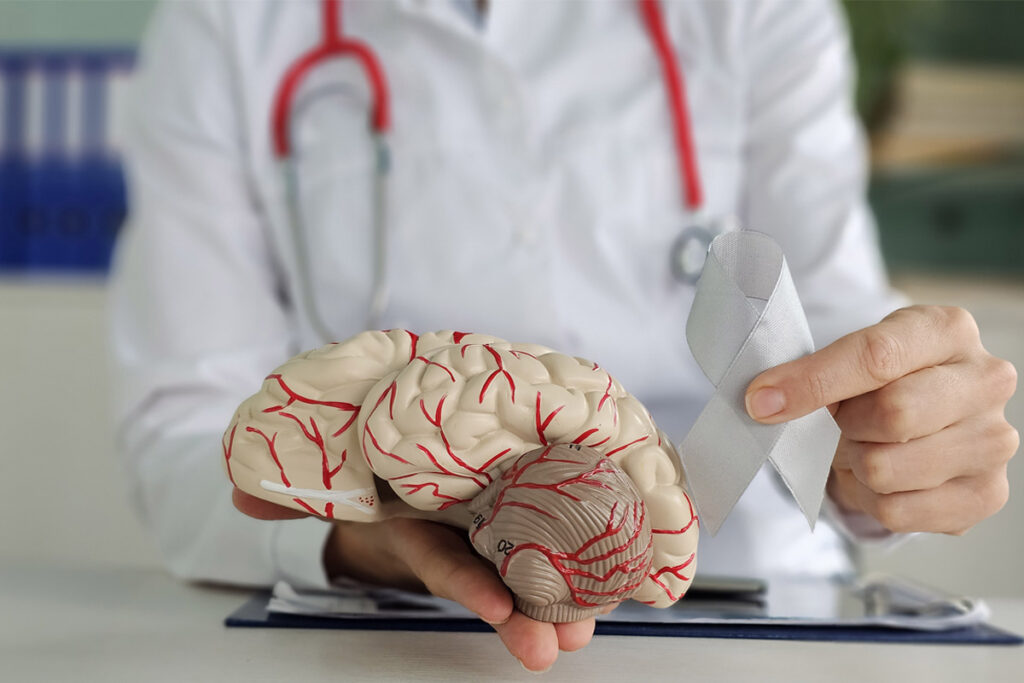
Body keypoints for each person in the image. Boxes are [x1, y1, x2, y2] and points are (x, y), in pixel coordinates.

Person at [109, 0, 1017, 672]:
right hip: (397, 628)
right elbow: (186, 430)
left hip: (763, 612)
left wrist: (894, 435)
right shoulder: (225, 25)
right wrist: (355, 533)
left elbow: (837, 339)